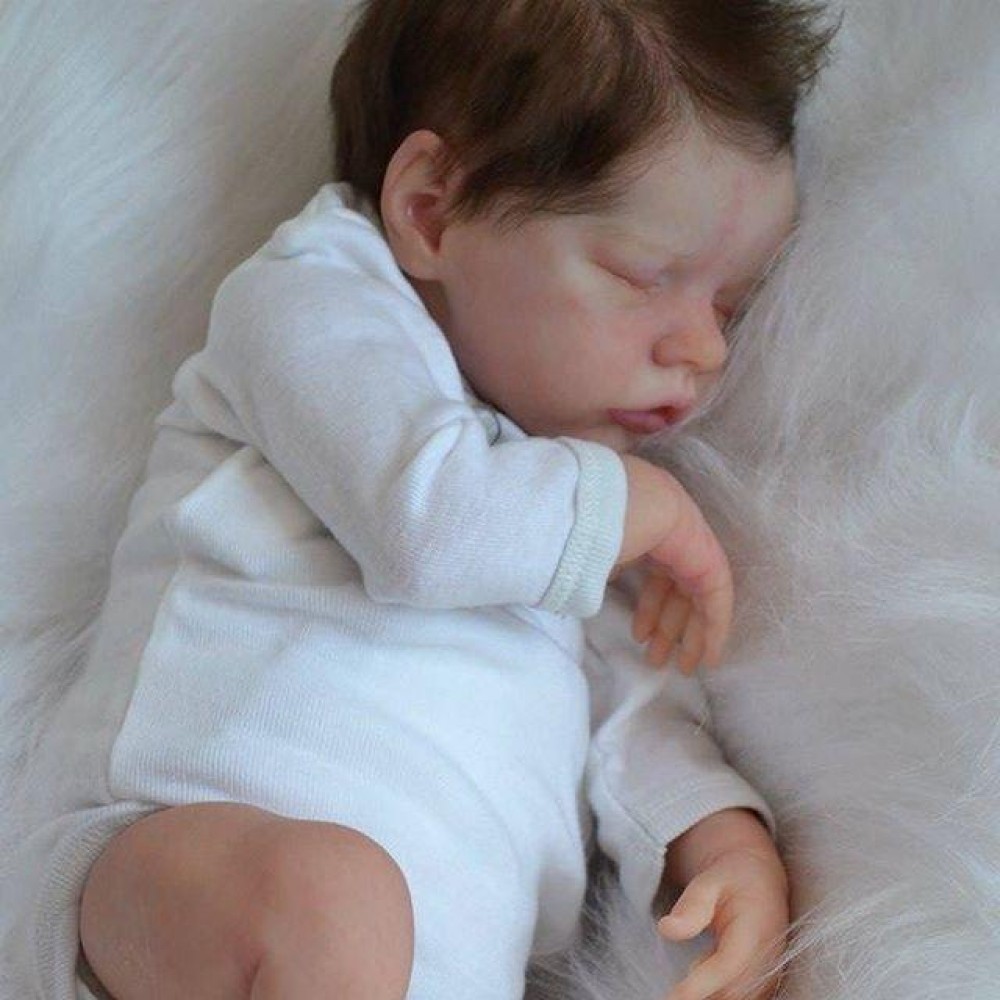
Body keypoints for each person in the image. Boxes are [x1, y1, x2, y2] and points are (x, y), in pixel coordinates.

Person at [2, 2, 834, 999]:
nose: (701, 351)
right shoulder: (315, 300)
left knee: (352, 915)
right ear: (433, 209)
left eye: (728, 308)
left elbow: (641, 721)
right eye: (643, 274)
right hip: (167, 877)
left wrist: (724, 840)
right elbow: (425, 524)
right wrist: (630, 506)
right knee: (332, 900)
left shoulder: (574, 513)